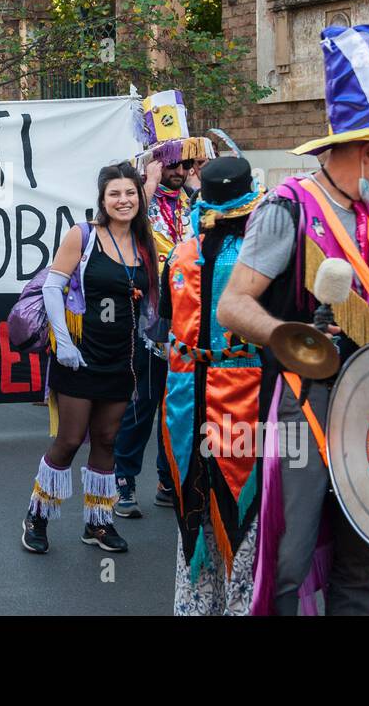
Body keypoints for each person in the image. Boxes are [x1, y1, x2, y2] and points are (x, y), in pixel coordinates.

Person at [218, 24, 369, 615]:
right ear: (367, 149)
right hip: (303, 405)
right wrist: (292, 336)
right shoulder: (286, 207)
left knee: (365, 556)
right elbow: (233, 306)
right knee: (289, 560)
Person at [22, 161, 159, 555]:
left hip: (122, 359)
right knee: (68, 440)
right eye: (115, 193)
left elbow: (148, 301)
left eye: (130, 193)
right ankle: (37, 516)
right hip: (79, 357)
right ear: (102, 198)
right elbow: (53, 288)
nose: (123, 200)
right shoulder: (82, 235)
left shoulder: (146, 244)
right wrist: (63, 344)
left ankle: (98, 523)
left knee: (107, 439)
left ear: (139, 197)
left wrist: (156, 338)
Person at [161, 156, 265, 614]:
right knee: (246, 511)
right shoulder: (261, 258)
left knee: (196, 505)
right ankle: (243, 604)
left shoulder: (180, 252)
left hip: (185, 390)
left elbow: (167, 321)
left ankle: (196, 605)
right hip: (243, 388)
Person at [113, 91, 213, 518]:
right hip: (149, 319)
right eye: (171, 163)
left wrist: (197, 187)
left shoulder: (194, 201)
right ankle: (123, 482)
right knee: (142, 403)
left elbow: (211, 236)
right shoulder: (139, 200)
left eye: (185, 163)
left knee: (180, 403)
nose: (180, 170)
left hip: (190, 320)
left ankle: (168, 478)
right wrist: (148, 183)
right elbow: (131, 227)